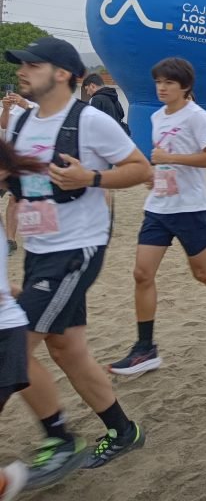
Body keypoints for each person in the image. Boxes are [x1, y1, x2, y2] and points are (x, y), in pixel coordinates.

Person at [4, 37, 152, 484]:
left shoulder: (89, 121)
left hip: (75, 250)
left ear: (63, 73)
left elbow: (141, 168)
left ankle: (60, 441)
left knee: (14, 342)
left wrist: (92, 177)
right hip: (38, 250)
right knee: (67, 348)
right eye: (21, 65)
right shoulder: (22, 123)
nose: (22, 71)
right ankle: (124, 431)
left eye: (32, 64)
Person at [108, 57, 206, 376]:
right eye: (158, 82)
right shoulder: (159, 116)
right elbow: (164, 159)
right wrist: (156, 171)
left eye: (168, 83)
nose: (161, 88)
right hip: (159, 206)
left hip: (190, 208)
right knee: (141, 274)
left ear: (184, 86)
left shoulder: (197, 116)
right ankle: (145, 347)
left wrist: (169, 158)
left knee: (202, 272)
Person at [1, 141, 85, 499]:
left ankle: (59, 439)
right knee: (52, 350)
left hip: (5, 330)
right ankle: (60, 437)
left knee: (53, 349)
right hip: (8, 324)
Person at [1, 92, 35, 254]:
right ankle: (9, 239)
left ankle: (15, 239)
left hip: (29, 159)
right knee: (13, 199)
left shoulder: (36, 106)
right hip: (8, 159)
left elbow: (40, 122)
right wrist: (6, 109)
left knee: (23, 200)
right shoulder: (8, 107)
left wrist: (25, 105)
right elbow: (4, 125)